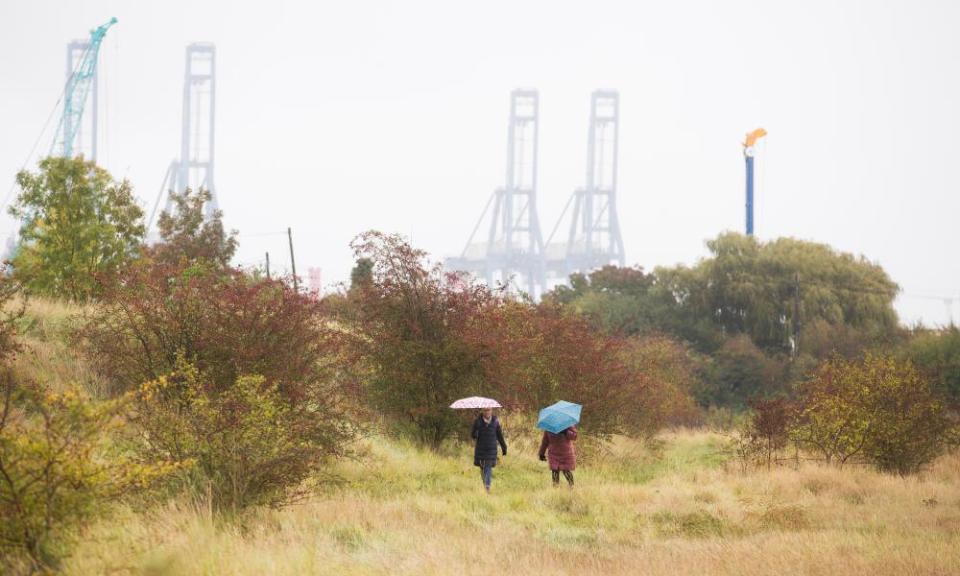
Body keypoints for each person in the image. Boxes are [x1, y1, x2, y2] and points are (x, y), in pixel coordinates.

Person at [472, 407, 507, 493]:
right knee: (482, 469)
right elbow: (472, 434)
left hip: (491, 450)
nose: (487, 412)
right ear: (482, 411)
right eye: (485, 410)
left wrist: (504, 447)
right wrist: (476, 433)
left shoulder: (495, 422)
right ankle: (485, 485)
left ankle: (487, 487)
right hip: (480, 449)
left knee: (488, 468)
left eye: (489, 410)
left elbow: (499, 436)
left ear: (491, 411)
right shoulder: (478, 422)